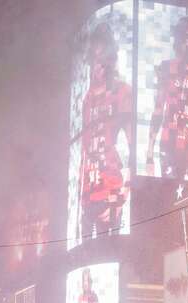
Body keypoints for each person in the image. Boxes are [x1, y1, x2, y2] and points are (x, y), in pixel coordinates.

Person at [79, 21, 132, 241]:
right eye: (94, 59)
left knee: (109, 257)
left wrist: (122, 195)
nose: (98, 65)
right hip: (88, 197)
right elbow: (84, 151)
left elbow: (132, 149)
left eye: (103, 58)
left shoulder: (121, 92)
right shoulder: (88, 99)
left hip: (111, 193)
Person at [145, 16, 188, 182]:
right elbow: (157, 111)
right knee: (170, 196)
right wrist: (149, 156)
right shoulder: (167, 69)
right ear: (178, 42)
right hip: (170, 146)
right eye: (184, 38)